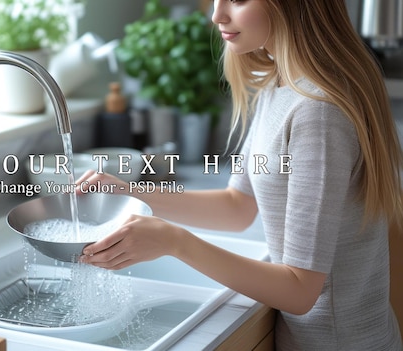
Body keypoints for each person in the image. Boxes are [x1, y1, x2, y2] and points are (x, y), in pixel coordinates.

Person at [77, 0, 403, 349]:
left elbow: (300, 290)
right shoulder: (279, 84)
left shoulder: (317, 114)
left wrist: (173, 241)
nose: (216, 15)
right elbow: (238, 205)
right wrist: (130, 194)